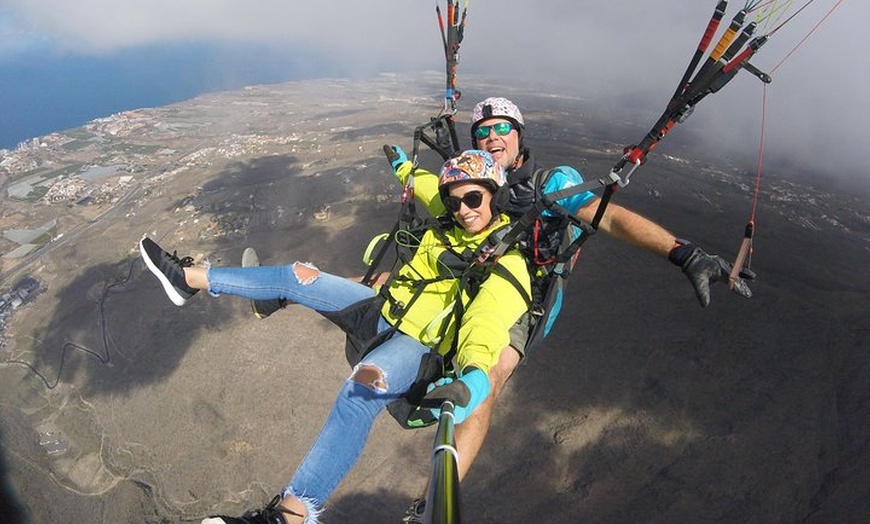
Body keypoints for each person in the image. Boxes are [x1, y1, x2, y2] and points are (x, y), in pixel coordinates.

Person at [387, 97, 753, 522]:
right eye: (482, 132)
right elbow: (434, 189)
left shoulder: (550, 183)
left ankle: (431, 503)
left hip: (525, 299)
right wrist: (403, 167)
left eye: (501, 128)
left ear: (520, 135)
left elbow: (607, 216)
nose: (491, 138)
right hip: (467, 283)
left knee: (486, 376)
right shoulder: (474, 181)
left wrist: (681, 253)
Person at [138, 150, 532, 524]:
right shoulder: (451, 215)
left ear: (494, 195)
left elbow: (486, 321)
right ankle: (190, 280)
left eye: (474, 198)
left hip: (416, 346)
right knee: (298, 275)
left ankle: (291, 514)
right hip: (383, 309)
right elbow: (427, 183)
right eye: (454, 201)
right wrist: (402, 165)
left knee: (359, 391)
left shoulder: (506, 259)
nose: (463, 210)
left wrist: (475, 376)